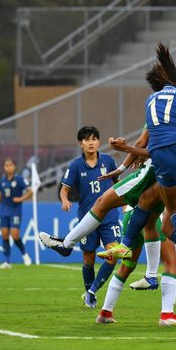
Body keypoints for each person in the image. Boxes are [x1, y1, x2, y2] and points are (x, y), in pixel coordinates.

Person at [99, 44, 176, 291]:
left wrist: (127, 154)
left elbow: (148, 148)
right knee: (165, 223)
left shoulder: (163, 114)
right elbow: (146, 144)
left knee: (162, 217)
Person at [58, 126, 122, 308]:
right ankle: (89, 293)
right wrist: (65, 200)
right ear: (81, 144)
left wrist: (125, 204)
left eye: (94, 138)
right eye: (86, 139)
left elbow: (119, 185)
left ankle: (92, 291)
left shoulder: (109, 161)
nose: (91, 142)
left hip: (109, 216)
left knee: (114, 253)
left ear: (98, 142)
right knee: (88, 258)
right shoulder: (76, 165)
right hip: (88, 219)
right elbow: (65, 189)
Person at [96, 205, 176, 326]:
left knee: (126, 266)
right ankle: (167, 314)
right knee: (171, 262)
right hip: (151, 216)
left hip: (130, 215)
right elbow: (163, 193)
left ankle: (105, 312)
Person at [0, 158, 33, 268]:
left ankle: (24, 254)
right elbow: (0, 195)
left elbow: (31, 191)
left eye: (10, 165)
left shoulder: (19, 179)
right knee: (4, 235)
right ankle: (7, 262)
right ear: (4, 167)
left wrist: (21, 198)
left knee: (15, 235)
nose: (8, 167)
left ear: (14, 166)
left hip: (15, 211)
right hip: (4, 211)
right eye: (6, 165)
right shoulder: (2, 181)